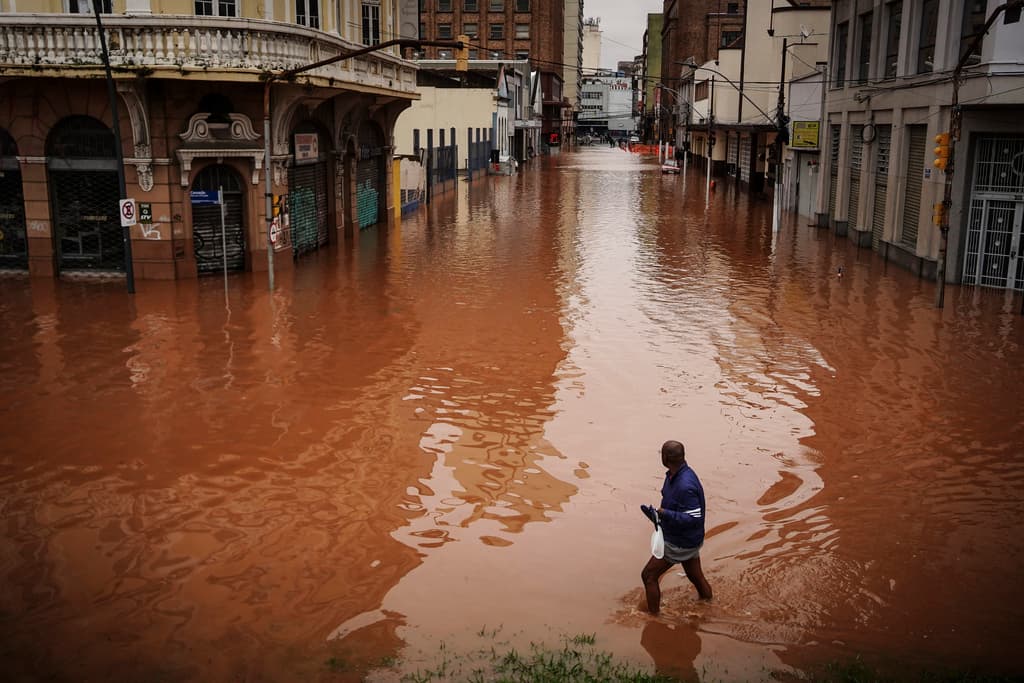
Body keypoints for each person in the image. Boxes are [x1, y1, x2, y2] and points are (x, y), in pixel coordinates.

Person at [640, 440, 712, 613]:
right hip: (686, 537)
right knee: (695, 575)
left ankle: (653, 619)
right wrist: (657, 516)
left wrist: (665, 514)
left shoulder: (685, 484)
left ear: (665, 458)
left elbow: (694, 517)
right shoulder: (674, 475)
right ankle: (708, 604)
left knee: (649, 575)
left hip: (680, 541)